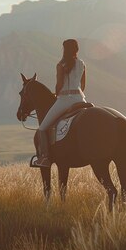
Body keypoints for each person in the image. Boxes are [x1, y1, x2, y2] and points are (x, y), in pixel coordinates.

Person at [32, 39, 87, 167]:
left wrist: (56, 94)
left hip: (65, 100)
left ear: (64, 49)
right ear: (76, 49)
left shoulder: (61, 65)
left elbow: (59, 85)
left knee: (42, 128)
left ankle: (45, 158)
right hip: (81, 99)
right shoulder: (82, 64)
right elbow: (83, 85)